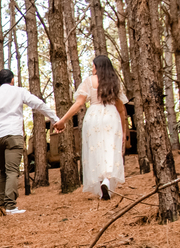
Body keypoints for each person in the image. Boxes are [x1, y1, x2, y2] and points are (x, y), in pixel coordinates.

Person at [0, 68, 60, 215]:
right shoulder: (19, 92)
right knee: (12, 171)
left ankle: (2, 205)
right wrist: (55, 119)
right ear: (12, 80)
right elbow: (38, 104)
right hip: (13, 135)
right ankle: (11, 206)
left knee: (3, 170)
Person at [53, 55, 129, 201]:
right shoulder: (114, 83)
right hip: (111, 116)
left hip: (93, 117)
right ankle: (106, 181)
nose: (92, 67)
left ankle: (102, 185)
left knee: (96, 150)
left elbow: (79, 104)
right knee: (110, 149)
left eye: (93, 65)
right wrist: (124, 131)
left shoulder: (89, 81)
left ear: (98, 66)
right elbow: (121, 109)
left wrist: (63, 120)